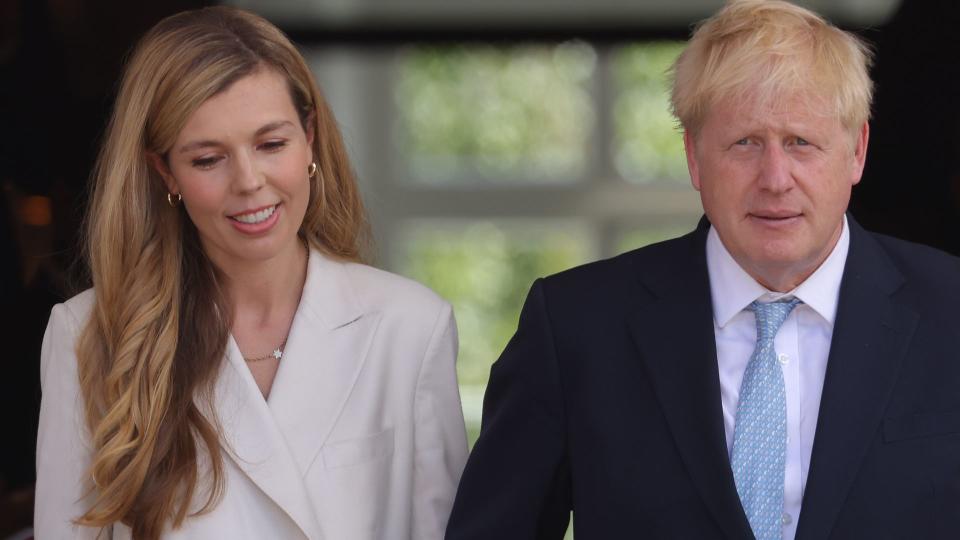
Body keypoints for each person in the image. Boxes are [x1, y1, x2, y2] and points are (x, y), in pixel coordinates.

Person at [446, 1, 960, 539]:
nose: (775, 178)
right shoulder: (577, 328)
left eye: (800, 143)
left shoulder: (951, 313)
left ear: (856, 151)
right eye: (745, 144)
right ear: (693, 155)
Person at [35, 7, 468, 539]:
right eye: (208, 159)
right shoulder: (90, 333)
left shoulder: (410, 327)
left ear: (310, 137)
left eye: (271, 144)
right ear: (164, 170)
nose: (249, 182)